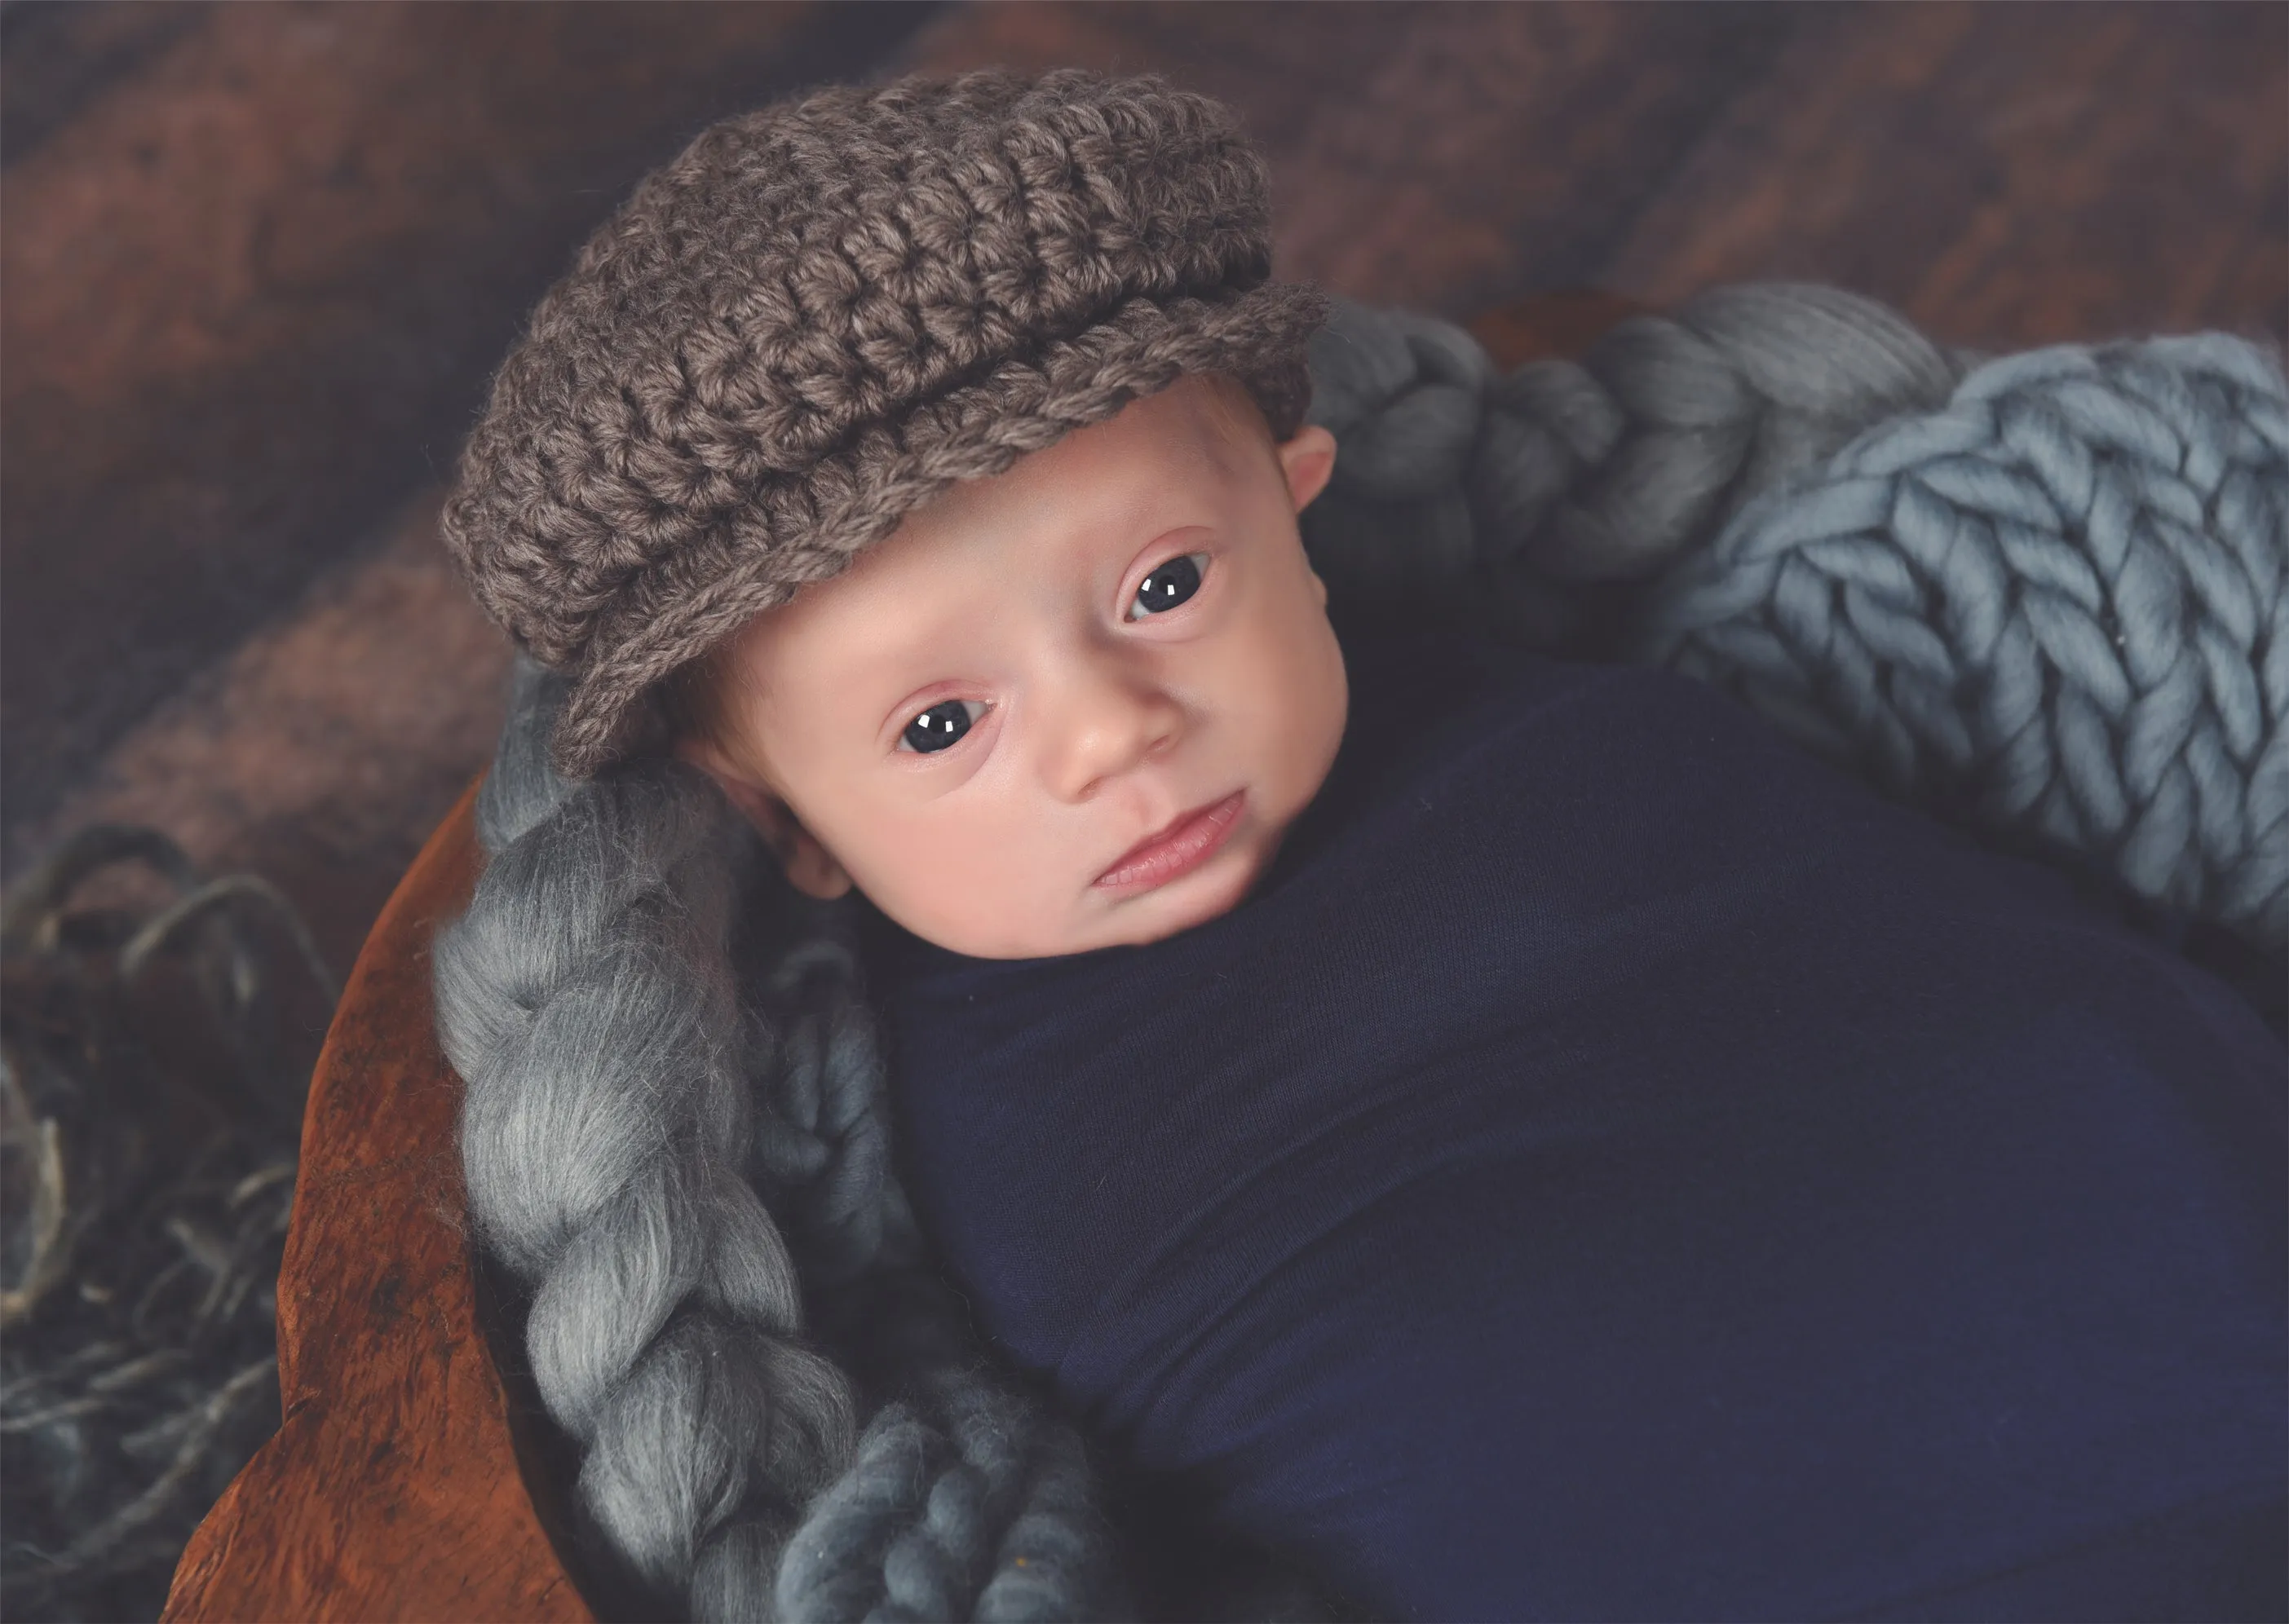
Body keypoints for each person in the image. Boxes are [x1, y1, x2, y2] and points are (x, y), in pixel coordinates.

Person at [438, 65, 2287, 1620]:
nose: (1111, 736)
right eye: (939, 727)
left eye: (1164, 585)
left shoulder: (1569, 704)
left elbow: (1910, 943)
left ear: (1299, 508)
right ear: (791, 830)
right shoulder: (885, 1144)